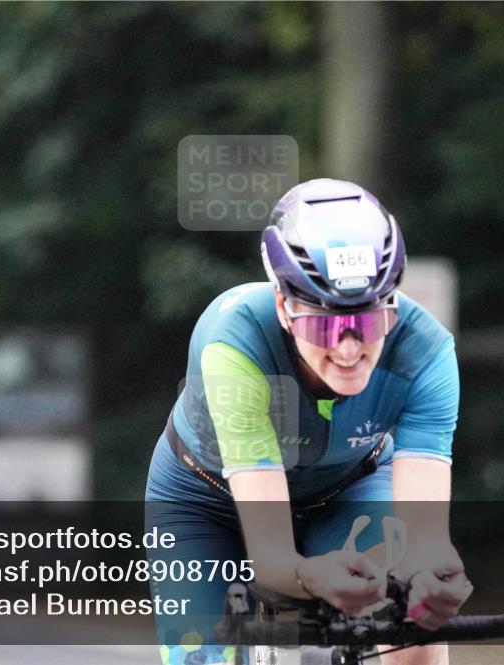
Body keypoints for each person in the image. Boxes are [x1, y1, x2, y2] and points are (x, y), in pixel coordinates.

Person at [145, 178, 473, 665]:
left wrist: (432, 579)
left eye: (365, 322)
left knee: (412, 624)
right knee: (205, 656)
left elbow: (426, 538)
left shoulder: (425, 352)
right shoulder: (234, 345)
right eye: (323, 322)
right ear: (283, 306)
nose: (347, 349)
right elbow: (273, 559)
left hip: (346, 488)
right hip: (204, 501)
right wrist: (306, 576)